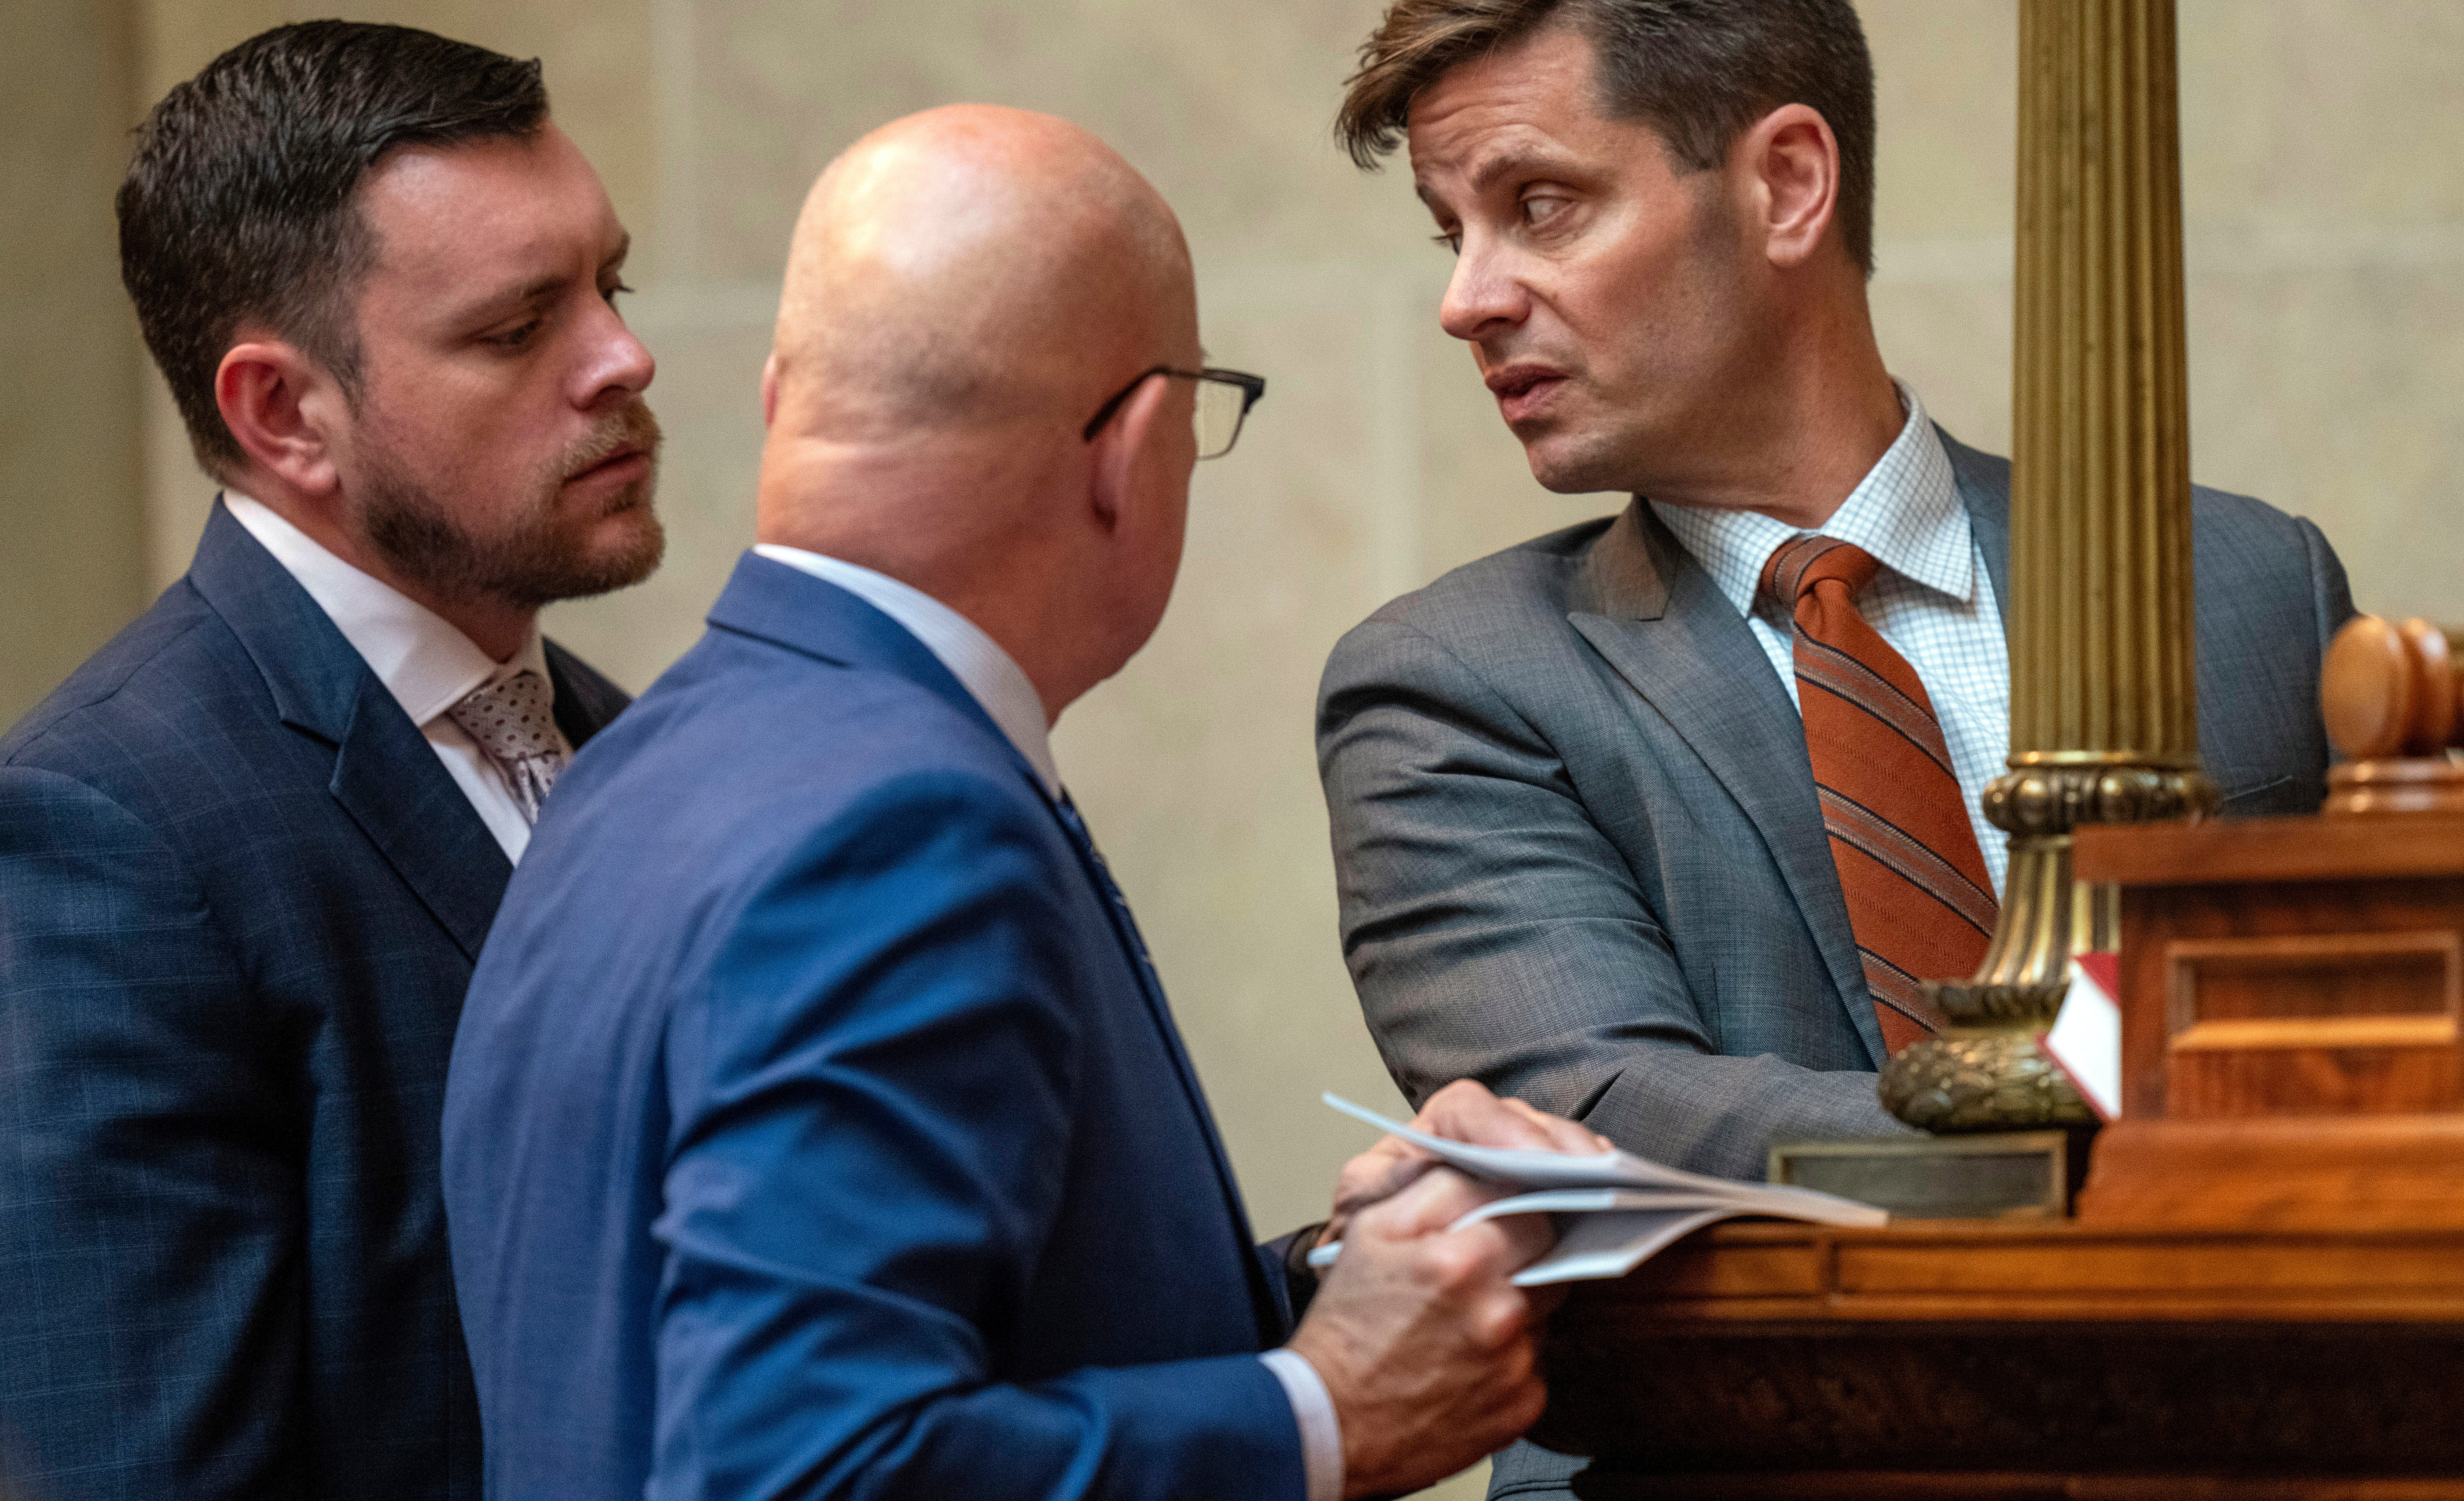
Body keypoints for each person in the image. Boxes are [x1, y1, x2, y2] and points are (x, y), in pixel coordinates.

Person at [443, 104, 1599, 1501]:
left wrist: (1359, 1276)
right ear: (1135, 447)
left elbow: (963, 1339)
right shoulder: (903, 823)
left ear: (777, 402)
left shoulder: (632, 761)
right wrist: (1320, 1417)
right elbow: (803, 1468)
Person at [1317, 0, 2356, 1248]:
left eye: (1540, 206)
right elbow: (1596, 1117)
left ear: (1787, 184)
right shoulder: (1452, 682)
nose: (1469, 299)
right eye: (1450, 231)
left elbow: (2401, 1015)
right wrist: (2145, 1123)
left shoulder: (2250, 583)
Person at [0, 22, 661, 1499]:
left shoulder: (625, 738)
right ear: (283, 412)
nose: (624, 356)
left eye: (614, 285)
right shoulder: (103, 833)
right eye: (516, 328)